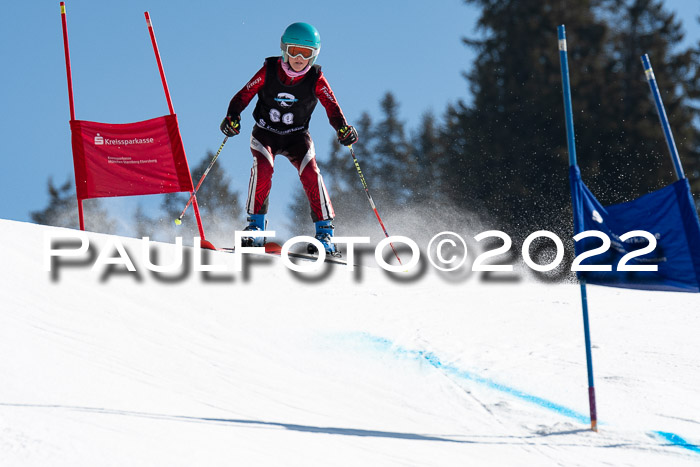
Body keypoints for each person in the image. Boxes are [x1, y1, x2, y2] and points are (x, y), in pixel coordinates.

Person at [220, 22, 357, 257]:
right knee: (263, 168)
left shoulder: (316, 78)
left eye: (307, 53)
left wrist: (343, 128)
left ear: (314, 55)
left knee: (311, 173)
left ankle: (325, 234)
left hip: (296, 137)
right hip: (266, 133)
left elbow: (331, 106)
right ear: (285, 49)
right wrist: (233, 117)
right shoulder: (270, 70)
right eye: (294, 51)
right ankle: (255, 228)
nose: (299, 58)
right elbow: (244, 95)